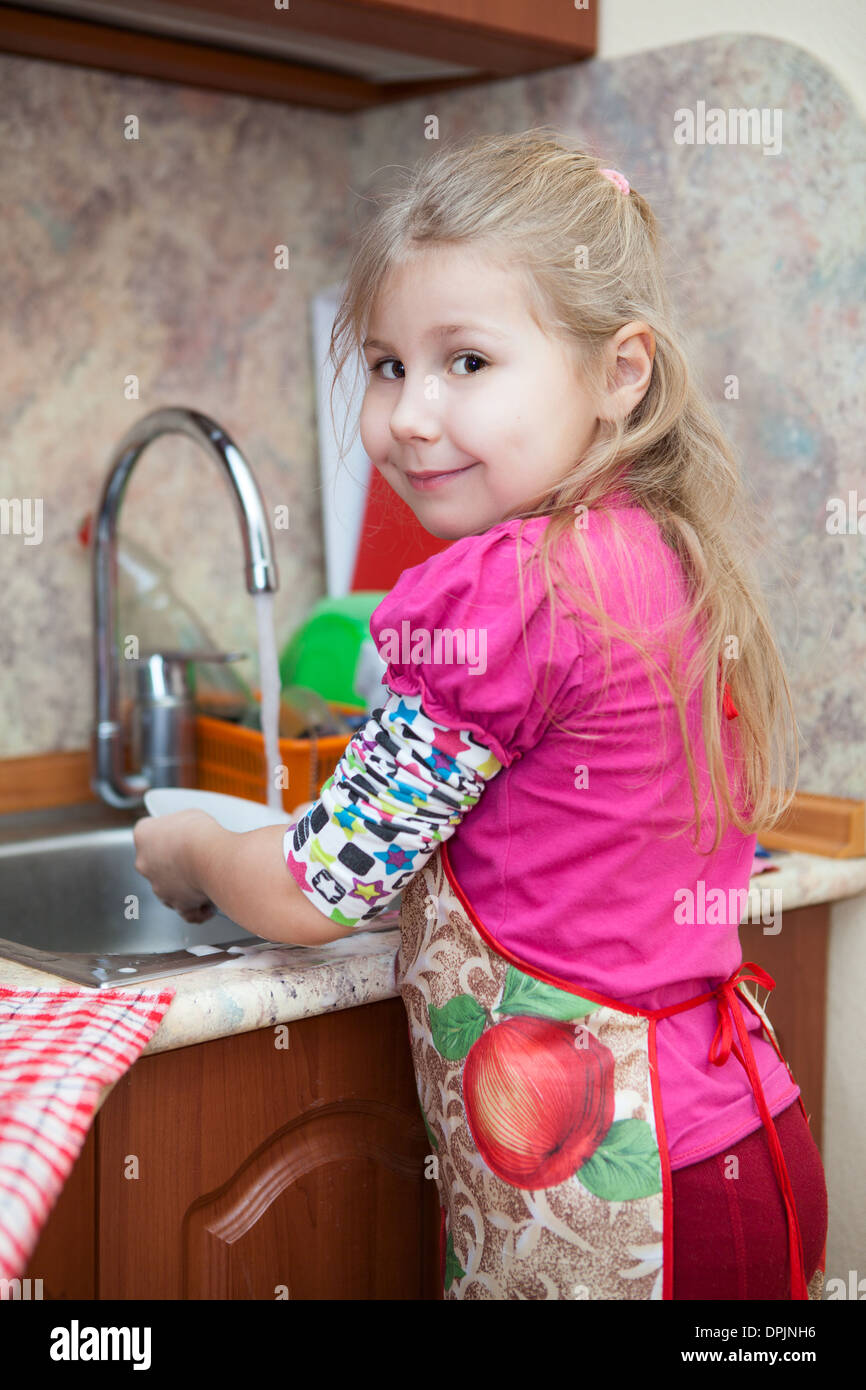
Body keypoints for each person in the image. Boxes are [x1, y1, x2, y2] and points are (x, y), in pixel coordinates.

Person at [133, 128, 828, 1301]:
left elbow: (322, 882)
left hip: (631, 1215)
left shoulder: (504, 590)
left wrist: (195, 846)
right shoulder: (652, 551)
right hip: (741, 1154)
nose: (408, 415)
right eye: (388, 366)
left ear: (620, 374)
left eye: (465, 362)